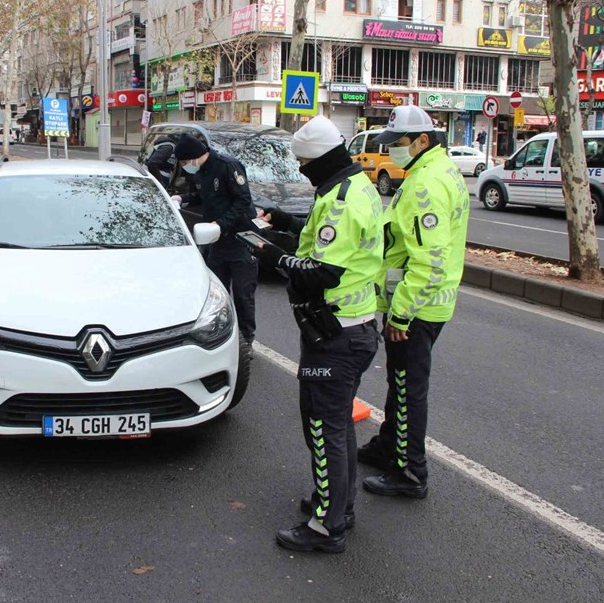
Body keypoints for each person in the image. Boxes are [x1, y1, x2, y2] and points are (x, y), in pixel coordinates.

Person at [252, 116, 383, 554]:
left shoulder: (343, 201)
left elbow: (323, 272)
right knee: (337, 424)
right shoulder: (353, 186)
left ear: (323, 160)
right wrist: (287, 227)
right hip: (351, 326)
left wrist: (272, 255)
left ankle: (327, 527)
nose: (302, 172)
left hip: (337, 333)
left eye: (305, 164)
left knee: (325, 429)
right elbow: (321, 244)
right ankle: (337, 505)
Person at [357, 105, 469, 499]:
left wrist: (401, 314)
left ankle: (410, 471)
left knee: (407, 388)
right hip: (421, 302)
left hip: (417, 307)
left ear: (423, 140)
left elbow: (430, 260)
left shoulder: (427, 184)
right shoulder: (432, 170)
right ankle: (390, 446)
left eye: (398, 144)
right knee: (399, 382)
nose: (392, 151)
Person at [172, 134, 258, 349]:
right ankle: (218, 337)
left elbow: (243, 201)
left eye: (184, 162)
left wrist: (221, 224)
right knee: (215, 293)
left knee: (242, 295)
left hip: (239, 239)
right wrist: (184, 198)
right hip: (216, 242)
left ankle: (246, 342)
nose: (185, 167)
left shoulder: (228, 166)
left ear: (194, 156)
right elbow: (205, 196)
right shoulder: (200, 172)